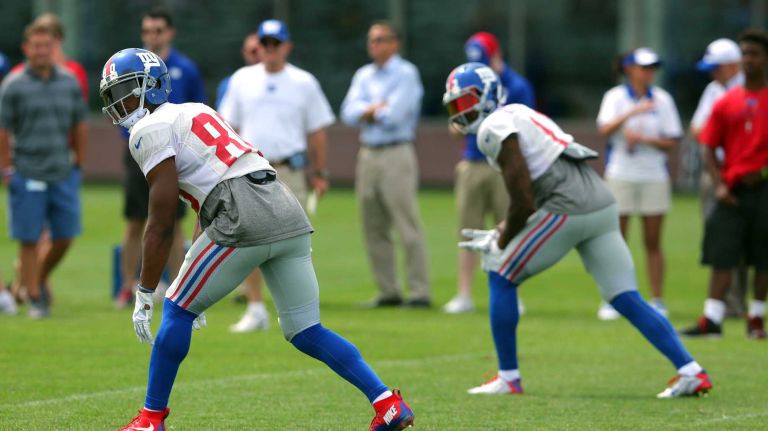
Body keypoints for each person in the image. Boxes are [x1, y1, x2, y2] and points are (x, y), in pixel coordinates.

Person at [100, 48, 414, 431]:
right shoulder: (198, 110)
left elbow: (162, 218)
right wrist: (188, 272)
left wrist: (146, 289)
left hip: (241, 210)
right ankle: (387, 403)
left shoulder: (147, 130)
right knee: (306, 329)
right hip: (283, 204)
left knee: (178, 309)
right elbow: (210, 195)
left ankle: (150, 420)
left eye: (126, 91)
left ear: (151, 88)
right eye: (114, 94)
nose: (119, 102)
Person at [444, 62, 711, 398]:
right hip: (599, 199)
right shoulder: (516, 112)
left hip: (569, 205)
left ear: (485, 96)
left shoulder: (493, 127)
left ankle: (508, 378)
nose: (461, 111)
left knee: (499, 271)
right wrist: (503, 226)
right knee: (625, 297)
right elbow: (536, 185)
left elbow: (525, 199)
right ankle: (691, 371)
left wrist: (503, 237)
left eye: (465, 102)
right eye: (455, 106)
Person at [219, 20, 334, 332]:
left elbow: (317, 131)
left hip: (290, 169)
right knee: (250, 239)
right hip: (251, 169)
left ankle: (300, 312)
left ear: (287, 46)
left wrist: (319, 172)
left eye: (276, 43)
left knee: (295, 243)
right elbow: (230, 126)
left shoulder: (303, 81)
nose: (270, 49)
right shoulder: (242, 79)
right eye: (265, 43)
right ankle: (255, 306)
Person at [114, 7, 207, 307]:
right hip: (140, 151)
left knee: (174, 221)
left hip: (174, 154)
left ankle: (180, 287)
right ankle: (128, 286)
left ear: (170, 33)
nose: (152, 36)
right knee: (134, 220)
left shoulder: (185, 68)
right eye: (147, 31)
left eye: (158, 30)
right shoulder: (130, 67)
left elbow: (196, 108)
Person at [680, 29, 768, 340]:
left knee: (762, 257)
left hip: (763, 189)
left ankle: (756, 318)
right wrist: (719, 184)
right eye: (745, 54)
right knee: (721, 251)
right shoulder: (727, 100)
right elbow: (707, 143)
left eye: (754, 54)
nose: (749, 60)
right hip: (731, 189)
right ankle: (712, 318)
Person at [444, 31, 535, 314]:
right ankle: (464, 294)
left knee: (509, 227)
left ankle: (512, 292)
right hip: (472, 161)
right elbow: (455, 124)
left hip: (503, 165)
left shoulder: (517, 86)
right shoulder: (467, 81)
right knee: (468, 229)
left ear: (496, 56)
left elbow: (527, 126)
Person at [341, 21, 431, 307]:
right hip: (368, 153)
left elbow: (395, 114)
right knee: (372, 224)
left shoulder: (406, 73)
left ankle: (419, 292)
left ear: (395, 43)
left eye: (380, 39)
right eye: (372, 40)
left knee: (406, 222)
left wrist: (368, 110)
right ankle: (388, 290)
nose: (374, 45)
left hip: (396, 152)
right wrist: (374, 108)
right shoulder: (363, 75)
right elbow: (347, 112)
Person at [0, 22, 87, 318]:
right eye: (36, 46)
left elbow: (79, 123)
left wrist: (79, 161)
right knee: (28, 238)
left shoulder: (69, 82)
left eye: (46, 46)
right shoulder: (13, 85)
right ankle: (35, 297)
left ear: (55, 48)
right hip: (26, 171)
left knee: (65, 236)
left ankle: (33, 280)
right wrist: (7, 169)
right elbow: (3, 129)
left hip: (62, 170)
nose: (41, 51)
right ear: (26, 49)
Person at [595, 48, 683, 320]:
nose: (649, 73)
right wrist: (633, 112)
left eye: (652, 68)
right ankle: (615, 298)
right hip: (620, 174)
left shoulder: (663, 100)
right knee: (616, 240)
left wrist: (644, 140)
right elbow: (605, 130)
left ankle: (657, 300)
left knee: (653, 241)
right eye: (644, 68)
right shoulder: (615, 97)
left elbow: (672, 140)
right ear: (630, 69)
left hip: (653, 176)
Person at [691, 38, 748, 318]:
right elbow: (698, 130)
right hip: (716, 171)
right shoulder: (713, 90)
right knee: (719, 239)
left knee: (750, 241)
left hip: (745, 174)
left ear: (733, 65)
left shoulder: (750, 91)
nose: (712, 73)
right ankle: (727, 304)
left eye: (716, 68)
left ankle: (744, 304)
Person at [215, 32, 260, 109]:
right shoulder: (231, 83)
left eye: (262, 49)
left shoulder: (283, 78)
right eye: (254, 51)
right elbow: (223, 117)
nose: (259, 54)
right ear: (244, 53)